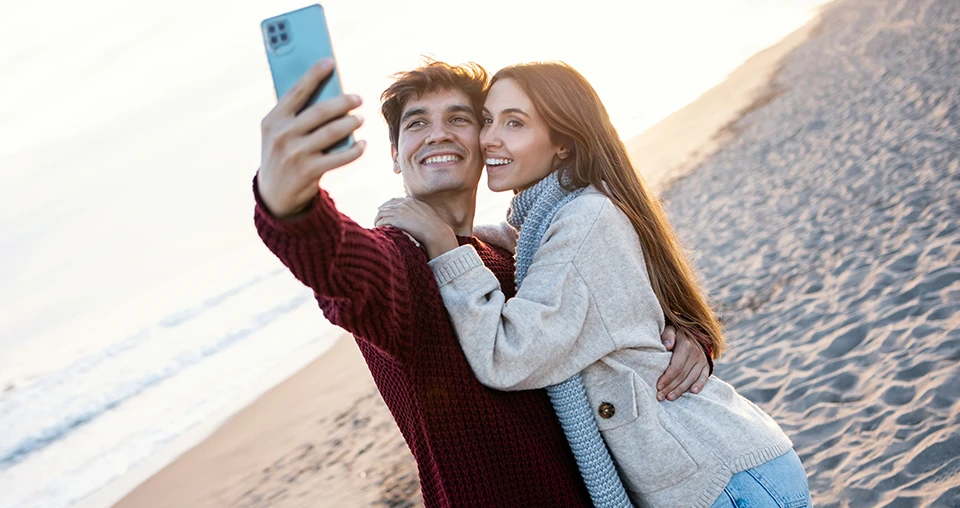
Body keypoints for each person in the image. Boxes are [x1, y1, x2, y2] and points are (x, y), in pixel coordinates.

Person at [253, 59, 714, 507]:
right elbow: (341, 264)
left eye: (459, 118)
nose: (438, 133)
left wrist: (682, 337)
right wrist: (289, 204)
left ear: (484, 142)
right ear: (395, 156)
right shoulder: (403, 257)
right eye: (416, 123)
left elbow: (602, 314)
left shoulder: (509, 254)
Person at [379, 62, 811, 508]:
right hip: (716, 473)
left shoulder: (584, 221)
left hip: (722, 483)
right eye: (487, 120)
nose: (489, 138)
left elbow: (507, 355)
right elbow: (555, 265)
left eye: (515, 123)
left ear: (563, 142)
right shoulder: (553, 222)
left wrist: (445, 246)